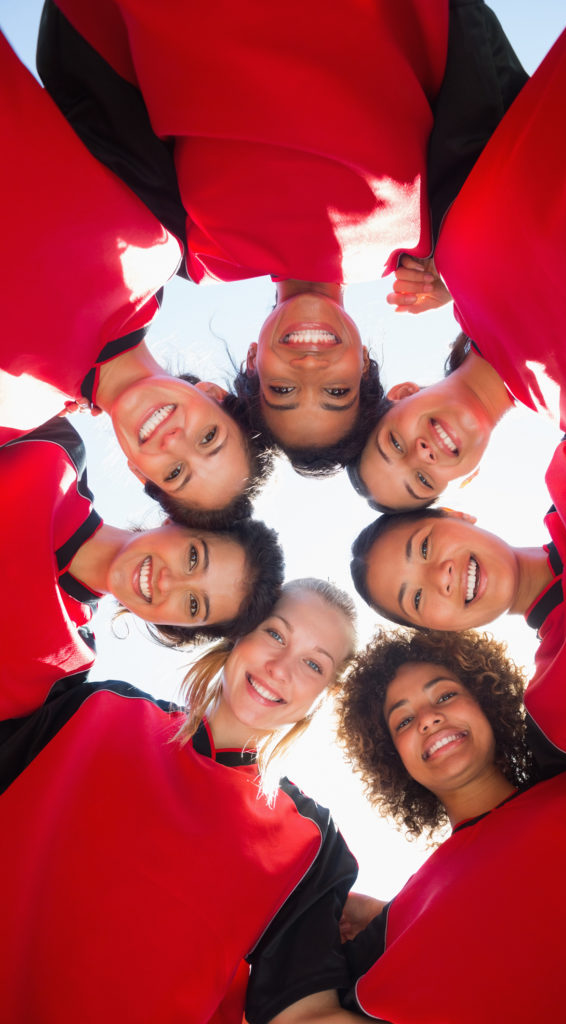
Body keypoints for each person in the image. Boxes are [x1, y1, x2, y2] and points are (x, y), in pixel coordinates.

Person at [37, 0, 527, 472]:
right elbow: (485, 83)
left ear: (254, 358)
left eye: (281, 391)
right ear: (364, 366)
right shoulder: (426, 237)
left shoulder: (182, 250)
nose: (308, 370)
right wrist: (467, 246)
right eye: (338, 393)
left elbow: (91, 104)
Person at [352, 0, 566, 511]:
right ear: (465, 480)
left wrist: (446, 238)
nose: (419, 454)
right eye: (422, 481)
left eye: (393, 444)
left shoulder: (455, 238)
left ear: (401, 393)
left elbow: (459, 29)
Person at [0, 579, 368, 1024]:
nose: (280, 668)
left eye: (313, 664)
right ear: (240, 631)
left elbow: (305, 1011)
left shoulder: (312, 844)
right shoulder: (98, 708)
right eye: (274, 634)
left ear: (322, 696)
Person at [336, 628, 566, 1023]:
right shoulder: (401, 927)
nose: (429, 719)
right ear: (394, 759)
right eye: (403, 721)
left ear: (485, 700)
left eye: (446, 695)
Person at [0, 31, 272, 524]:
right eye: (209, 437)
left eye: (175, 474)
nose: (175, 443)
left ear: (134, 470)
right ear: (211, 393)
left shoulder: (10, 415)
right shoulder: (154, 243)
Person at [350, 437, 566, 782]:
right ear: (439, 629)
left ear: (457, 515)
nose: (441, 577)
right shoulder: (558, 721)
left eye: (424, 546)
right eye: (417, 599)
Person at [1, 416, 284, 721]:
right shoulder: (53, 448)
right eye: (193, 558)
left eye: (192, 604)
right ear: (177, 520)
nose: (168, 582)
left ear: (177, 627)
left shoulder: (61, 671)